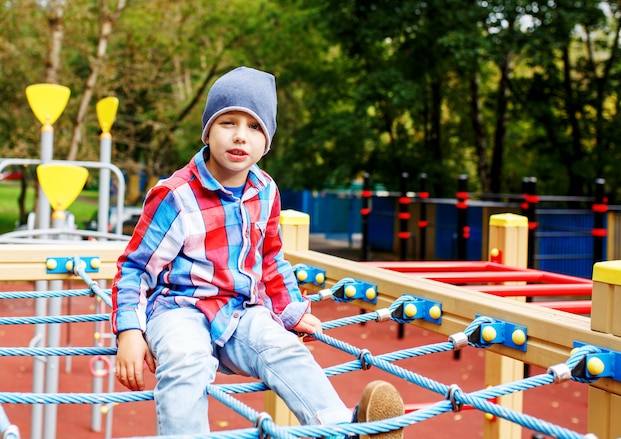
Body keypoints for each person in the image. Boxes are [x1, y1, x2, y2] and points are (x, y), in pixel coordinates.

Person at [111, 65, 404, 438]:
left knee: (284, 349)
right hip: (178, 308)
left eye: (254, 127)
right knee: (186, 363)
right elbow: (135, 268)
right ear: (207, 131)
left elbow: (271, 259)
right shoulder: (176, 195)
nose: (240, 136)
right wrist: (130, 333)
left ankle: (344, 428)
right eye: (227, 122)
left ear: (267, 141)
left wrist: (290, 310)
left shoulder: (265, 190)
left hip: (239, 310)